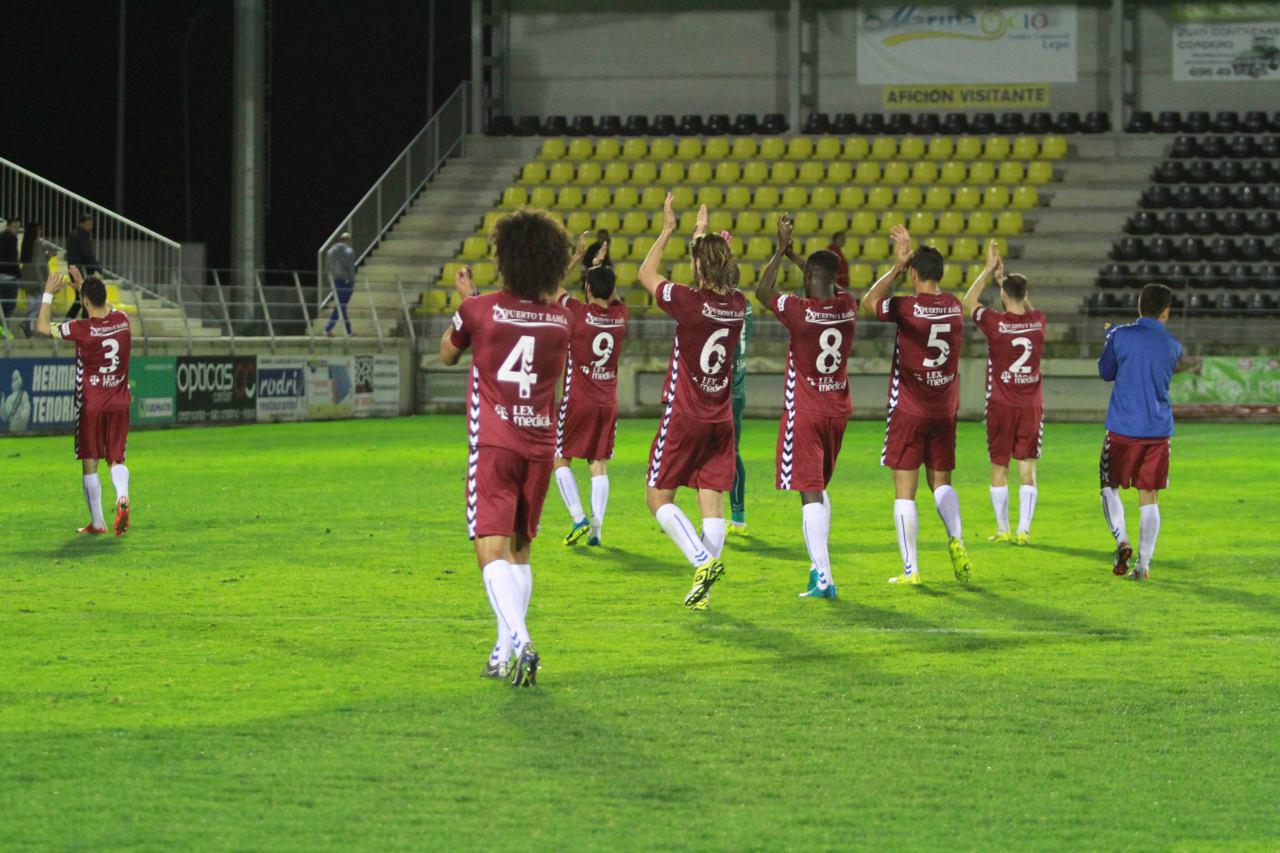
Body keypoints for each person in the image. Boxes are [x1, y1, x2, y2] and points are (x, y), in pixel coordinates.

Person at [439, 209, 572, 686]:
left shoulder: (479, 311)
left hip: (495, 446)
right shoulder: (561, 322)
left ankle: (521, 639)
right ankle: (502, 650)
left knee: (488, 551)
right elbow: (545, 305)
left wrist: (467, 299)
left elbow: (449, 352)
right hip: (539, 448)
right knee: (519, 551)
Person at [637, 195, 746, 611]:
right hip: (721, 420)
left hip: (685, 415)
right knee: (712, 508)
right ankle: (703, 593)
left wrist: (669, 229)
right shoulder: (737, 306)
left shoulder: (688, 303)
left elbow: (646, 273)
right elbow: (712, 278)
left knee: (658, 499)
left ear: (700, 268)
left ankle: (700, 561)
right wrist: (703, 237)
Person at [859, 225, 973, 585]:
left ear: (913, 273)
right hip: (944, 411)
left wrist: (895, 266)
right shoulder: (954, 306)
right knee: (940, 483)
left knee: (904, 492)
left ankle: (912, 570)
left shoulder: (907, 307)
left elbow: (869, 301)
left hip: (909, 410)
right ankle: (956, 541)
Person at [756, 213, 856, 599]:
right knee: (819, 489)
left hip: (806, 412)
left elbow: (763, 292)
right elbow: (827, 281)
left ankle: (825, 578)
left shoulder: (798, 310)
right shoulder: (847, 306)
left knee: (809, 491)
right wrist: (805, 261)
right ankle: (818, 570)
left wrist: (781, 251)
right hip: (838, 411)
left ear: (811, 276)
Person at [1097, 283, 1201, 580]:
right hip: (1157, 432)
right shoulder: (1173, 347)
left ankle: (1121, 540)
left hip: (1122, 429)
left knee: (1109, 485)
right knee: (1150, 495)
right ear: (1166, 314)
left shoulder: (1121, 336)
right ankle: (1143, 566)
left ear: (1139, 306)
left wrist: (1111, 340)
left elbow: (1106, 372)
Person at [35, 266, 133, 536]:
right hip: (119, 401)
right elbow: (104, 307)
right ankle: (122, 496)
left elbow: (42, 327)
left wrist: (47, 294)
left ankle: (98, 523)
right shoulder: (123, 320)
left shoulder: (82, 329)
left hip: (92, 404)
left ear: (85, 303)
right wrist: (83, 291)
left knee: (90, 459)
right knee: (116, 459)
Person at [962, 240, 1047, 545]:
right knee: (1028, 467)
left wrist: (988, 272)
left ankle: (1003, 528)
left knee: (999, 466)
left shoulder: (996, 323)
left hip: (1000, 404)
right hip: (1031, 406)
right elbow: (1027, 309)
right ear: (1026, 296)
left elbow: (968, 302)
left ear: (1002, 296)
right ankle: (1024, 530)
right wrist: (1006, 283)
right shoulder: (1038, 322)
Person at [552, 235, 629, 548]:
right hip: (606, 402)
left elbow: (553, 284)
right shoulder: (621, 316)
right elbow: (612, 294)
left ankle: (577, 516)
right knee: (598, 464)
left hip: (577, 400)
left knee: (560, 458)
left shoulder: (577, 313)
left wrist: (579, 255)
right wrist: (602, 268)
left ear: (586, 290)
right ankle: (597, 531)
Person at [728, 251, 752, 536]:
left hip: (727, 390)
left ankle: (737, 516)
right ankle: (736, 515)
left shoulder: (726, 306)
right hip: (737, 388)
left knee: (729, 454)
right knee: (729, 453)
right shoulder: (742, 303)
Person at [21, 222, 59, 335]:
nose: (41, 232)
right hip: (37, 277)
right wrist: (44, 281)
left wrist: (48, 256)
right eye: (39, 230)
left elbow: (35, 260)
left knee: (33, 302)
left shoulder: (26, 243)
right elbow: (39, 263)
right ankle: (27, 322)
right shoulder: (38, 243)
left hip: (27, 275)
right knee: (42, 302)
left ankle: (28, 324)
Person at [64, 214, 100, 320]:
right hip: (79, 272)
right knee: (85, 299)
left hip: (76, 270)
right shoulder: (80, 236)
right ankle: (85, 324)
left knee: (80, 298)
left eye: (91, 224)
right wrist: (97, 268)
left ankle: (67, 321)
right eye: (88, 224)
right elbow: (87, 254)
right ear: (82, 224)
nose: (91, 227)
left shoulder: (77, 235)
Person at [324, 232, 357, 336]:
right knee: (341, 305)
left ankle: (348, 331)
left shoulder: (331, 251)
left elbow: (327, 266)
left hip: (335, 280)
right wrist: (352, 282)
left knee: (341, 305)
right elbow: (351, 269)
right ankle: (329, 327)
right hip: (346, 281)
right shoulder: (349, 252)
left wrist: (329, 279)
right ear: (348, 240)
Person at [0, 218, 19, 336]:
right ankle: (4, 330)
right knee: (9, 306)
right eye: (14, 227)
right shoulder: (11, 239)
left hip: (2, 275)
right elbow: (12, 258)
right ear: (8, 226)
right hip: (10, 277)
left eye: (18, 227)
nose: (16, 230)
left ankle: (4, 330)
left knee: (4, 305)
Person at [1, 368, 32, 433]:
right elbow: (5, 417)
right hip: (12, 429)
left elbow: (27, 409)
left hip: (22, 428)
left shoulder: (24, 394)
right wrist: (2, 403)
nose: (15, 381)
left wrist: (21, 415)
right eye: (14, 379)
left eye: (16, 378)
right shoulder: (9, 398)